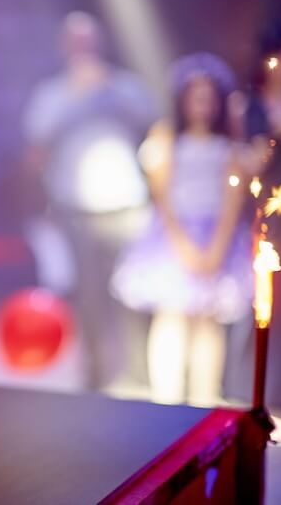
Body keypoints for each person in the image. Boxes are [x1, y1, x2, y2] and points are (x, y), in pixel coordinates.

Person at [22, 11, 156, 389]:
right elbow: (37, 139)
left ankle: (140, 377)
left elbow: (151, 118)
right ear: (64, 46)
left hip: (127, 205)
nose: (83, 47)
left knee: (135, 295)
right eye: (75, 40)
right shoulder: (51, 93)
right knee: (90, 300)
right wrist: (77, 96)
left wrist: (106, 88)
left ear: (100, 43)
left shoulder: (125, 85)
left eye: (89, 39)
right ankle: (96, 380)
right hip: (76, 209)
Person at [112, 53, 251, 405]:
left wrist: (217, 246)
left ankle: (205, 400)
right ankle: (167, 401)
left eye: (208, 97)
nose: (201, 104)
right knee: (171, 315)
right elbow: (161, 193)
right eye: (194, 96)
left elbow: (234, 196)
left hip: (216, 234)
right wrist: (183, 245)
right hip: (173, 237)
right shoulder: (167, 138)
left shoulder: (229, 146)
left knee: (208, 320)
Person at [238, 26, 281, 409]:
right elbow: (245, 161)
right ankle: (266, 387)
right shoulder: (250, 105)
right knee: (267, 299)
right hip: (267, 218)